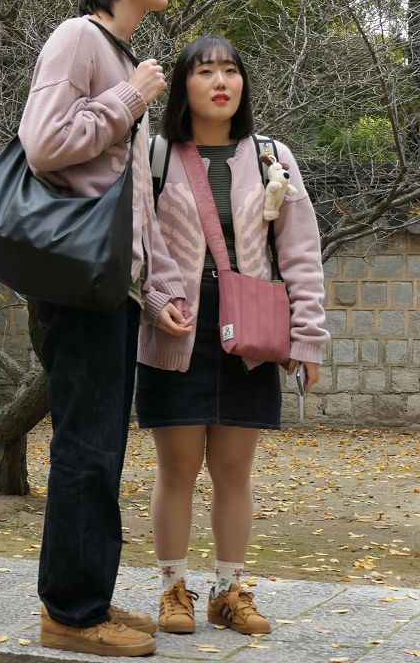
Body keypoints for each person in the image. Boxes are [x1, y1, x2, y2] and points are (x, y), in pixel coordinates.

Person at [17, 0, 193, 656]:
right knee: (86, 451)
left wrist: (150, 299)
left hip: (108, 290)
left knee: (100, 452)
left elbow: (128, 205)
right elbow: (42, 143)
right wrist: (129, 100)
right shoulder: (77, 38)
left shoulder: (118, 54)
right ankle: (70, 614)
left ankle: (83, 594)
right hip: (75, 286)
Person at [136, 36, 328, 636]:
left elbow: (299, 252)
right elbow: (137, 240)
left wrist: (307, 337)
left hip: (252, 328)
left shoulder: (273, 156)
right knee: (177, 466)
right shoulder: (155, 154)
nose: (221, 81)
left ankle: (229, 590)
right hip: (178, 326)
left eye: (231, 71)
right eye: (205, 71)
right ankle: (173, 589)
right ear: (184, 84)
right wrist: (156, 299)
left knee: (234, 468)